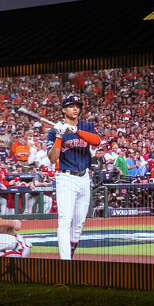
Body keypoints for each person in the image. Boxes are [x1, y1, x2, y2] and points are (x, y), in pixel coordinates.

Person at [47, 94, 102, 260]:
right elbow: (52, 158)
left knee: (79, 223)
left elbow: (97, 141)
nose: (75, 108)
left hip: (84, 177)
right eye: (71, 106)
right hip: (66, 178)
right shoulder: (54, 130)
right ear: (64, 109)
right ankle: (65, 260)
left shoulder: (86, 125)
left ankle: (69, 255)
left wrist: (76, 130)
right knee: (65, 220)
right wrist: (59, 136)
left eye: (77, 105)